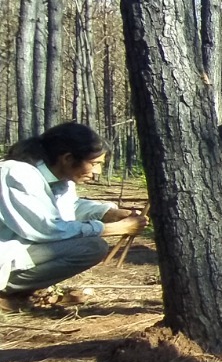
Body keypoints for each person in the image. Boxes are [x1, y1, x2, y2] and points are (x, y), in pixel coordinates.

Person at [0, 123, 147, 311]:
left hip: (15, 250)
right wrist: (112, 229)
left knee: (91, 246)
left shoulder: (60, 179)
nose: (97, 173)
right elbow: (49, 229)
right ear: (67, 158)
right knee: (92, 247)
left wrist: (106, 213)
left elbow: (68, 207)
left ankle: (16, 292)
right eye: (94, 164)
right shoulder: (17, 174)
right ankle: (7, 292)